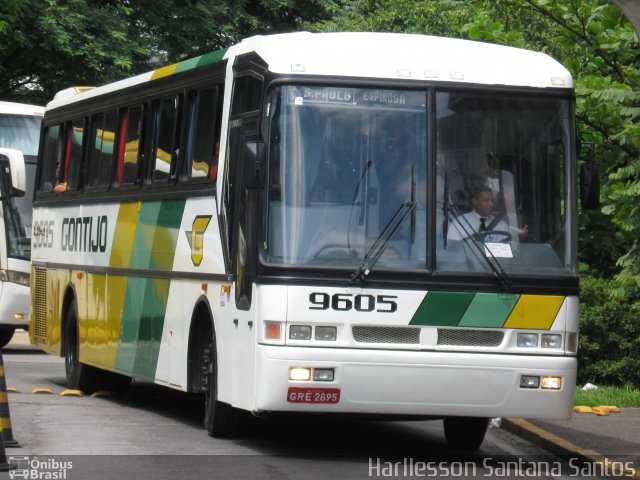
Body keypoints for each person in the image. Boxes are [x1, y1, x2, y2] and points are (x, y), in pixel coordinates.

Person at [448, 186, 528, 242]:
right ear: (474, 201)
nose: (491, 204)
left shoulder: (502, 225)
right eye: (486, 200)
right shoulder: (460, 223)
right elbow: (454, 250)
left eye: (492, 200)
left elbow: (508, 251)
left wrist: (519, 238)